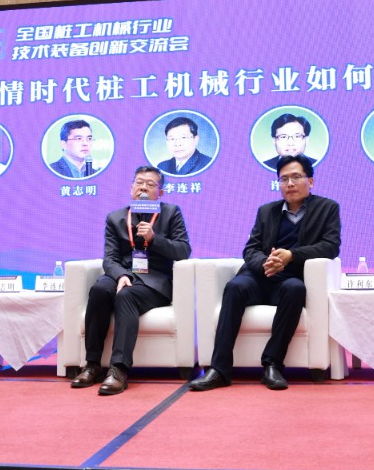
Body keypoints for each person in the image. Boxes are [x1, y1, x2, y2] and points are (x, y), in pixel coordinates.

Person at [190, 155, 340, 391]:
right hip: (260, 276)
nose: (290, 183)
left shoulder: (327, 208)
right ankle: (219, 369)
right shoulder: (266, 211)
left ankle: (272, 365)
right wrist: (266, 263)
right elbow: (251, 249)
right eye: (284, 179)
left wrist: (291, 256)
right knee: (235, 287)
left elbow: (330, 246)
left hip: (290, 278)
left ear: (310, 181)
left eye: (296, 177)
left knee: (295, 289)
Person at [71, 166, 192, 395]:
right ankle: (92, 364)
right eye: (139, 182)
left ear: (160, 192)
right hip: (123, 273)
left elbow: (183, 250)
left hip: (154, 280)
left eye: (150, 184)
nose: (143, 188)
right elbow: (110, 258)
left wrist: (154, 239)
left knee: (126, 296)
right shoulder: (115, 217)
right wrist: (121, 275)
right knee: (99, 290)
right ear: (131, 188)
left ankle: (118, 369)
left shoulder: (171, 213)